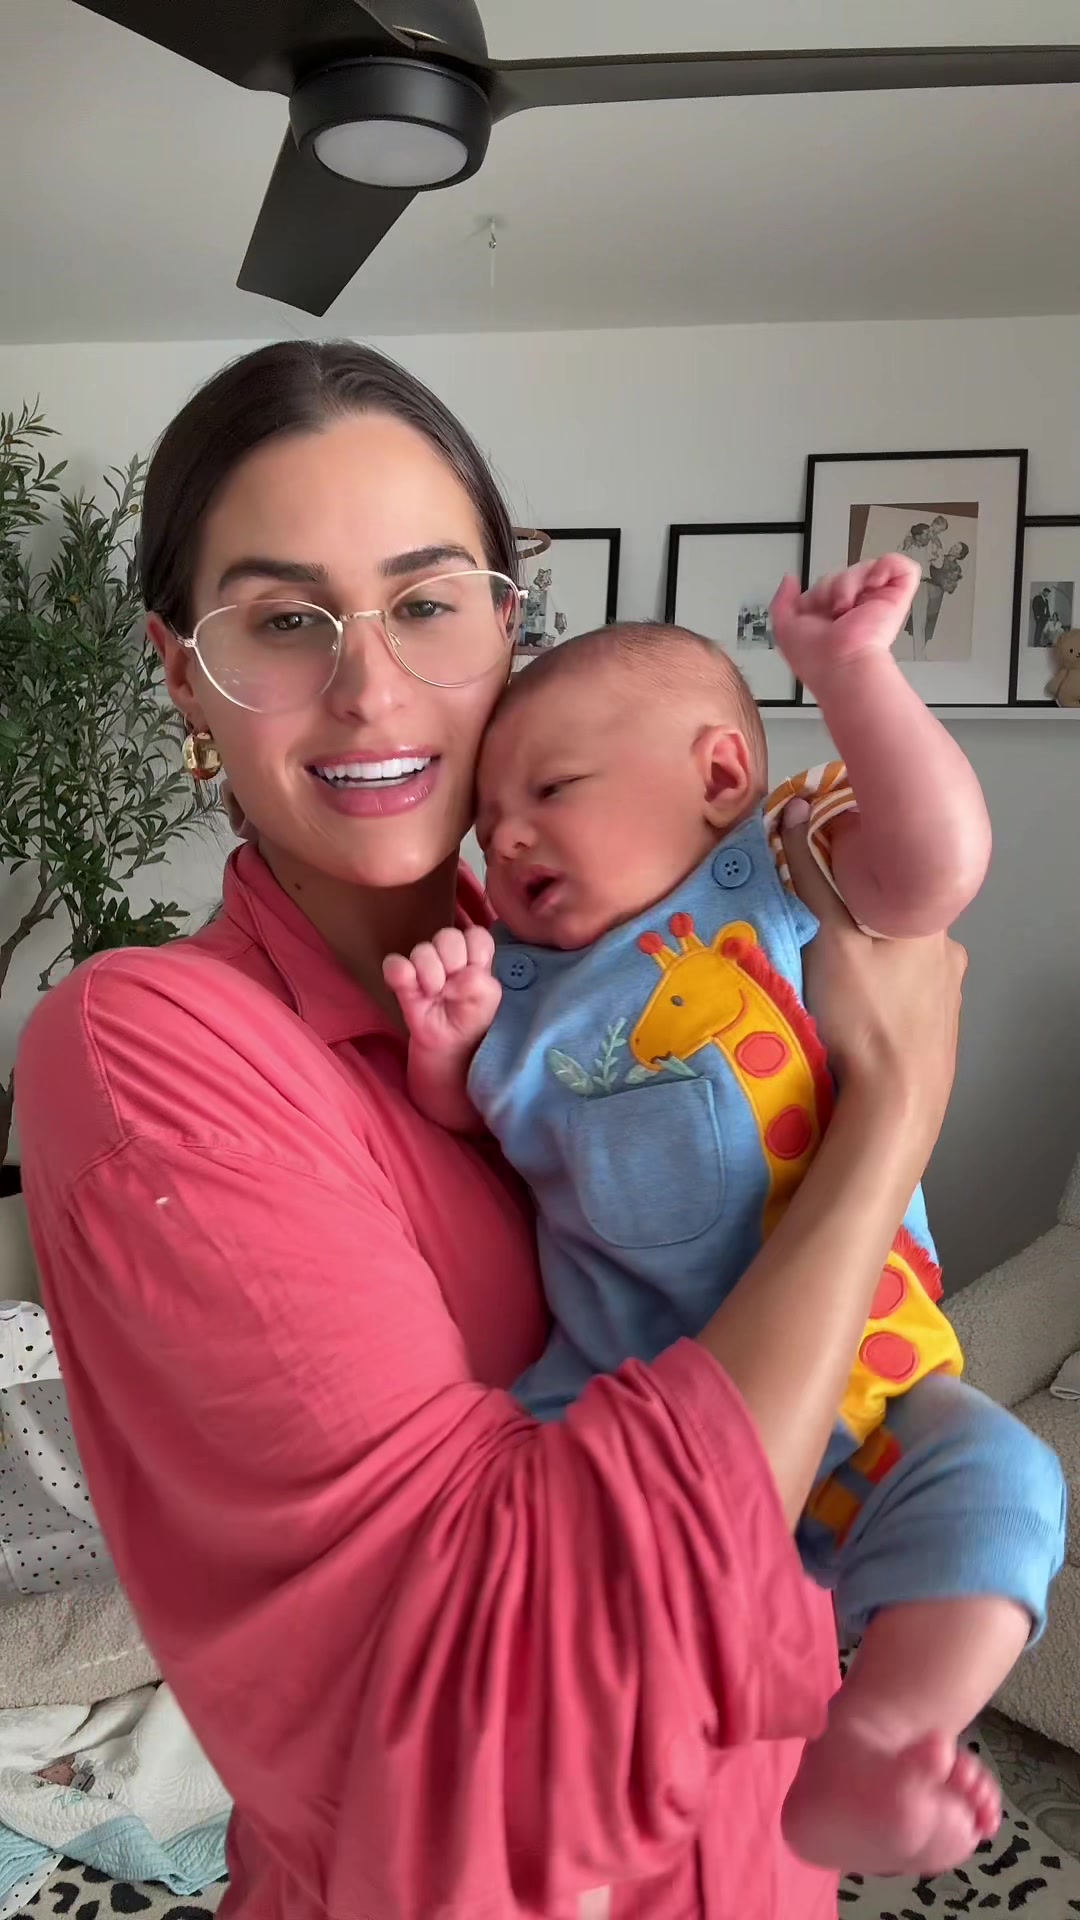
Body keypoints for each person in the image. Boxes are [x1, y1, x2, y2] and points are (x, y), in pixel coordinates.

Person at [16, 340, 971, 1920]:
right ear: (183, 673)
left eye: (427, 602)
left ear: (510, 625)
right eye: (283, 621)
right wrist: (895, 1116)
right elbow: (526, 1650)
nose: (372, 690)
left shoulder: (592, 969)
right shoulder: (149, 1052)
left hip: (760, 1850)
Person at [383, 575, 1063, 1877]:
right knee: (547, 1597)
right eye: (486, 819)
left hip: (870, 1388)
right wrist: (445, 1046)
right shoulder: (518, 989)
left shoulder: (774, 880)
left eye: (552, 790)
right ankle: (565, 1808)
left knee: (1010, 1486)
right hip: (622, 1397)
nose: (505, 836)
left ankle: (882, 1734)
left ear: (719, 775)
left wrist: (852, 673)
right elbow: (473, 1122)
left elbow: (935, 866)